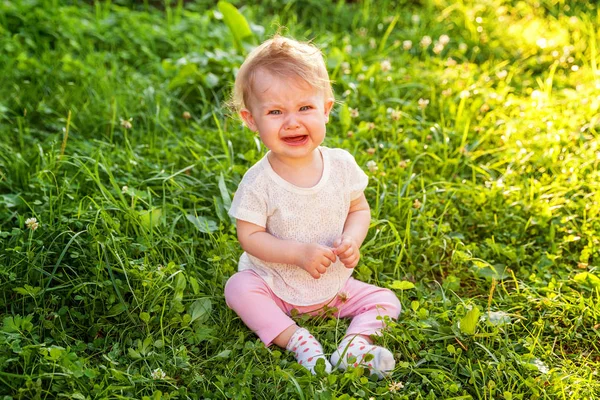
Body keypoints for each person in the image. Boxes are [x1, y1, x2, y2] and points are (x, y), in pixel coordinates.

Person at [224, 35, 401, 379]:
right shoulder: (259, 181)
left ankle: (355, 345)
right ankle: (297, 339)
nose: (292, 122)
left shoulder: (341, 165)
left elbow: (359, 209)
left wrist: (352, 239)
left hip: (334, 287)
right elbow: (249, 236)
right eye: (275, 112)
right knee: (238, 289)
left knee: (386, 300)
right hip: (274, 285)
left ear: (326, 109)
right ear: (251, 120)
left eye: (305, 108)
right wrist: (298, 254)